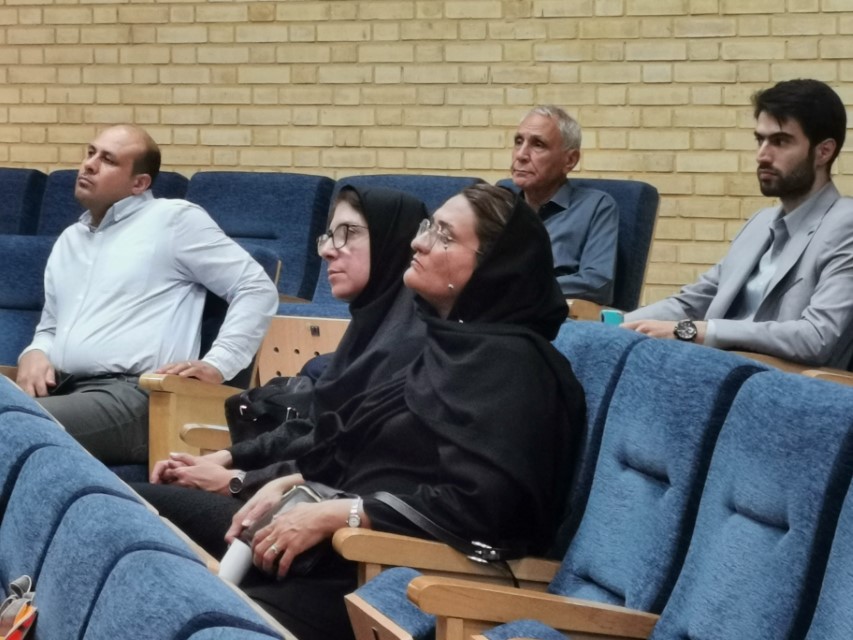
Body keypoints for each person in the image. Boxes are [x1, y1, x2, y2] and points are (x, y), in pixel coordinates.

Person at [214, 184, 584, 640]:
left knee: (204, 614)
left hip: (405, 578)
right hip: (342, 551)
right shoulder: (451, 345)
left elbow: (483, 508)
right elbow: (353, 443)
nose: (419, 242)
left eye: (444, 235)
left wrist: (343, 514)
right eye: (429, 226)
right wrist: (292, 483)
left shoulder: (513, 366)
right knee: (158, 538)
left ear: (491, 266)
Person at [140, 185, 429, 515]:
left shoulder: (410, 344)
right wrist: (224, 458)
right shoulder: (371, 328)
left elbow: (349, 459)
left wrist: (237, 480)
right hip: (302, 504)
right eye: (328, 236)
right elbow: (314, 427)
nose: (328, 251)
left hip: (338, 524)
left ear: (393, 239)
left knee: (143, 505)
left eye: (347, 233)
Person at [15, 124, 279, 465]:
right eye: (91, 152)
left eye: (108, 160)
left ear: (139, 184)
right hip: (64, 388)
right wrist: (35, 351)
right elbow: (51, 327)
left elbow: (256, 287)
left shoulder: (173, 221)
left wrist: (219, 363)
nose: (89, 164)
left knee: (9, 426)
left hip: (136, 399)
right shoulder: (70, 239)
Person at [623, 79, 853, 369]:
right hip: (714, 371)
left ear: (824, 152)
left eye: (780, 142)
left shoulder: (845, 225)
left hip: (781, 385)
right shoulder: (759, 223)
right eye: (760, 140)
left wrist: (699, 332)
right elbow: (691, 302)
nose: (762, 155)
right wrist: (612, 324)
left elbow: (816, 337)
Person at [511, 105, 620, 305]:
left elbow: (598, 284)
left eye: (538, 144)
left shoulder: (596, 207)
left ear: (569, 160)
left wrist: (523, 288)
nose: (521, 155)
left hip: (546, 313)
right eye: (519, 142)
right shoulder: (500, 203)